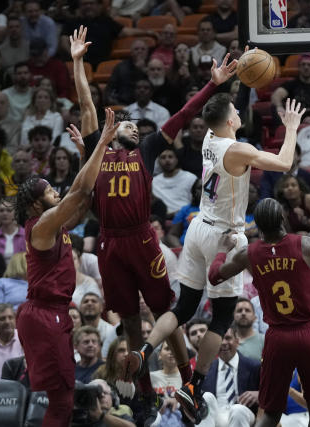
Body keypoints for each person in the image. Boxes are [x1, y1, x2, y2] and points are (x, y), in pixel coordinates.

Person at [71, 25, 235, 414]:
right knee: (129, 319)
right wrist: (78, 63)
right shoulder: (99, 152)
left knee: (167, 313)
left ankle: (186, 378)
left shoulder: (146, 148)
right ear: (114, 133)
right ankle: (144, 390)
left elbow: (184, 114)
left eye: (135, 125)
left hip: (142, 238)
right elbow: (86, 106)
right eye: (128, 125)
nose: (134, 128)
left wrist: (212, 86)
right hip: (111, 242)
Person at [124, 91, 306, 424]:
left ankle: (144, 350)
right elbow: (284, 163)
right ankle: (192, 384)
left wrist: (240, 82)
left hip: (197, 228)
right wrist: (291, 127)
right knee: (221, 319)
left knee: (182, 308)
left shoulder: (209, 135)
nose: (239, 112)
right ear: (229, 120)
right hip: (223, 235)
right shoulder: (238, 150)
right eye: (236, 110)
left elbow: (224, 109)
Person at [14, 107, 119, 426]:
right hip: (44, 314)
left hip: (51, 313)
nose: (54, 191)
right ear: (36, 204)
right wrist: (98, 146)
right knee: (61, 402)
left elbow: (83, 200)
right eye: (48, 191)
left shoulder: (54, 223)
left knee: (63, 400)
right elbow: (77, 192)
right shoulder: (41, 225)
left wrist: (85, 153)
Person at [207, 197, 310, 426]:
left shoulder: (249, 254)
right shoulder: (305, 244)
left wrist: (221, 250)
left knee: (270, 413)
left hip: (278, 337)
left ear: (257, 225)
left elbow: (214, 276)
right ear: (282, 219)